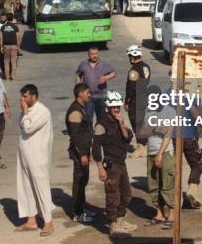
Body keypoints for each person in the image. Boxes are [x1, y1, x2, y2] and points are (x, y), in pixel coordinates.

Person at [92, 90, 137, 237]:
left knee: (127, 195)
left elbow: (127, 138)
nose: (116, 109)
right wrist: (100, 169)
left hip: (121, 163)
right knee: (113, 195)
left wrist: (122, 124)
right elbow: (96, 148)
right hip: (111, 165)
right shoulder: (101, 124)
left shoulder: (120, 121)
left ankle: (121, 220)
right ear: (107, 107)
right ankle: (113, 226)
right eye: (113, 107)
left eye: (117, 106)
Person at [15, 84, 54, 237]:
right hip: (25, 154)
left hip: (38, 157)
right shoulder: (27, 111)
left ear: (33, 96)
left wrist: (25, 112)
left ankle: (48, 222)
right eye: (22, 96)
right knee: (26, 187)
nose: (22, 99)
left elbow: (28, 127)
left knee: (41, 188)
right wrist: (25, 112)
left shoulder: (42, 111)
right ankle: (31, 220)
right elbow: (22, 124)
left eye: (25, 96)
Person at [144, 89, 176, 229]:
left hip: (165, 152)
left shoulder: (169, 111)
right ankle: (159, 214)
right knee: (153, 184)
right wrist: (157, 128)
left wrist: (160, 154)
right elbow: (145, 130)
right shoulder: (148, 110)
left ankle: (172, 215)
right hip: (150, 151)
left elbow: (168, 134)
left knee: (167, 184)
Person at [66, 83, 95, 223]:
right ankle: (78, 213)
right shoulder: (75, 111)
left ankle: (82, 207)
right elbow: (75, 136)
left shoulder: (81, 108)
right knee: (79, 181)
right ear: (80, 94)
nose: (90, 95)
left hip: (84, 151)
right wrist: (82, 154)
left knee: (83, 180)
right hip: (79, 153)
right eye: (87, 92)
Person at [74, 46, 116, 124]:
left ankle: (100, 134)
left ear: (98, 53)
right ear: (88, 54)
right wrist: (77, 90)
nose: (94, 55)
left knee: (102, 118)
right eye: (92, 54)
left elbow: (113, 73)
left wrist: (106, 77)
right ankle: (89, 134)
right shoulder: (83, 64)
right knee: (88, 117)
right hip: (88, 97)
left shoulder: (104, 64)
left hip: (101, 96)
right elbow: (78, 76)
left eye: (96, 53)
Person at [125, 45, 151, 158]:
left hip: (136, 99)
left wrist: (127, 101)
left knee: (136, 122)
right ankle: (145, 145)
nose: (129, 58)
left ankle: (142, 147)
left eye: (129, 56)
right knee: (143, 122)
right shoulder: (146, 67)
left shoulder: (134, 70)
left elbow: (131, 87)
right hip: (145, 97)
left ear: (132, 56)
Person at [0, 13, 21, 81]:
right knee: (13, 61)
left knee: (6, 61)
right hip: (14, 46)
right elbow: (18, 37)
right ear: (12, 18)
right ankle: (13, 76)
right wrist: (18, 47)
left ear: (6, 18)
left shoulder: (3, 27)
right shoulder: (15, 27)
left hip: (6, 46)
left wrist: (1, 47)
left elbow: (1, 38)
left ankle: (7, 76)